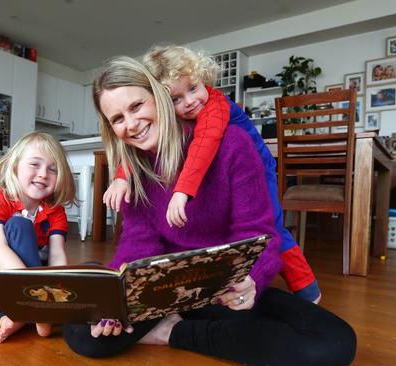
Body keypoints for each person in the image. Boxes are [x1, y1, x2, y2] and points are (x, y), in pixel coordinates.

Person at [63, 56, 357, 365]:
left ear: (159, 97)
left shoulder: (233, 143)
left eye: (136, 106)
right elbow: (139, 244)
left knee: (334, 343)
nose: (132, 124)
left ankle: (169, 333)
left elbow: (260, 235)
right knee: (84, 333)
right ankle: (178, 328)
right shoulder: (135, 172)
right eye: (117, 118)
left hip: (225, 288)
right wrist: (115, 301)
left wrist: (251, 282)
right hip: (165, 292)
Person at [103, 45, 321, 303]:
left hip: (258, 167)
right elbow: (136, 150)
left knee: (272, 225)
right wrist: (120, 176)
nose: (190, 102)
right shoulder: (151, 146)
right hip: (194, 269)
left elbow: (203, 147)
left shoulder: (215, 107)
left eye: (193, 88)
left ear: (204, 79)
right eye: (175, 99)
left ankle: (308, 291)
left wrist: (182, 190)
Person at [0, 132, 76, 343]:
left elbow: (58, 256)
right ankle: (33, 313)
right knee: (18, 225)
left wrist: (56, 295)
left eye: (52, 169)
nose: (43, 174)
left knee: (88, 272)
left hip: (31, 292)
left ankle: (22, 317)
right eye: (35, 164)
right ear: (15, 168)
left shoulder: (55, 211)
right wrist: (32, 296)